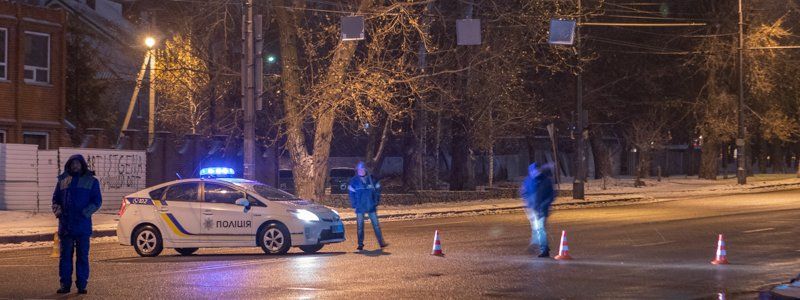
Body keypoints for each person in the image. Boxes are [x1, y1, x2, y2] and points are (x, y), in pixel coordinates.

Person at [52, 155, 102, 294]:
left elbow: (97, 201)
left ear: (82, 165)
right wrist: (59, 212)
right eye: (72, 163)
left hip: (82, 226)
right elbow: (55, 200)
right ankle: (65, 285)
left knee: (82, 257)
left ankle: (81, 285)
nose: (75, 166)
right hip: (66, 226)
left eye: (77, 163)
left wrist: (85, 213)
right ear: (69, 165)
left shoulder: (91, 181)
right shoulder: (62, 180)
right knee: (65, 257)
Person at [348, 162, 388, 251]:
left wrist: (376, 201)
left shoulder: (372, 180)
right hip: (360, 207)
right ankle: (360, 244)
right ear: (357, 171)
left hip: (371, 206)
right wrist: (354, 204)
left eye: (362, 170)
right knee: (360, 227)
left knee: (376, 226)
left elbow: (377, 191)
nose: (360, 171)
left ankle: (381, 243)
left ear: (365, 170)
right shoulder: (354, 181)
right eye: (359, 170)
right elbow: (351, 194)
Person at [520, 163, 555, 257]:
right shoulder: (528, 180)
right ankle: (538, 245)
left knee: (540, 229)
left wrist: (544, 205)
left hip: (542, 210)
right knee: (536, 229)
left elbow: (551, 195)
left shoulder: (546, 180)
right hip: (532, 209)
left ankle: (544, 249)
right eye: (532, 171)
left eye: (536, 170)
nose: (534, 172)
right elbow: (524, 193)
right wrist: (528, 204)